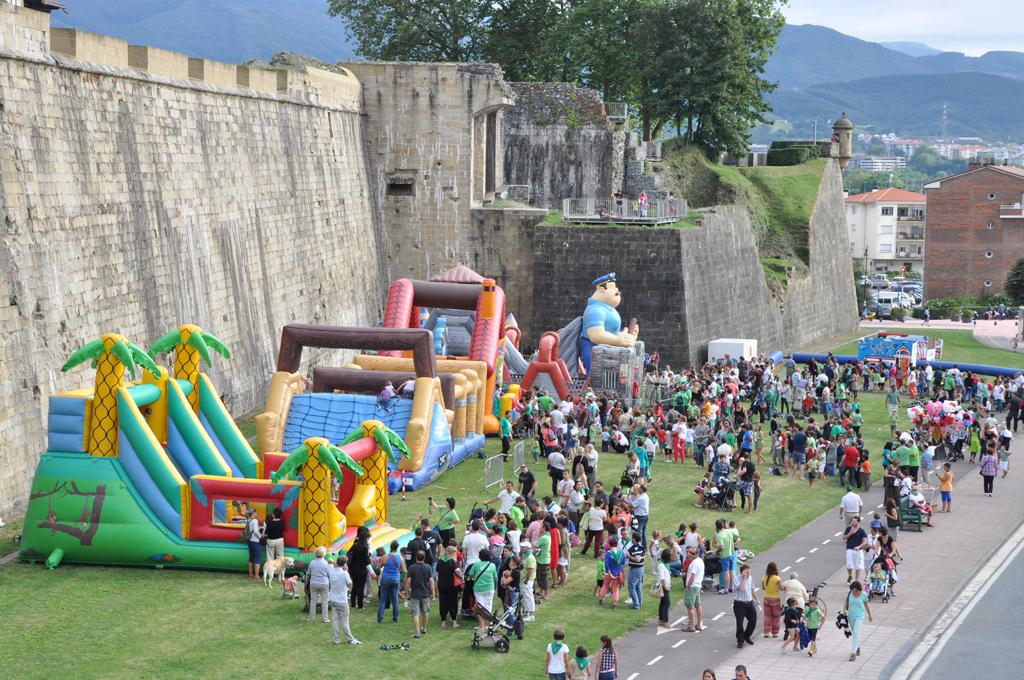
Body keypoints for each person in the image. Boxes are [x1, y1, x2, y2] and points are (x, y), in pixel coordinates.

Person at [328, 554, 361, 645]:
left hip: (333, 599)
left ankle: (336, 639)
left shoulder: (331, 570)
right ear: (345, 564)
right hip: (342, 601)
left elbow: (329, 561)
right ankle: (350, 639)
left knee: (335, 620)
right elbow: (350, 584)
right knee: (345, 621)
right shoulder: (345, 573)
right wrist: (345, 570)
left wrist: (338, 564)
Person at [404, 550, 435, 638]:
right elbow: (431, 581)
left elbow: (408, 581)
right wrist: (433, 593)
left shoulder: (411, 568)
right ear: (424, 557)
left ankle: (417, 633)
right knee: (425, 612)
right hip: (425, 593)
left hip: (415, 594)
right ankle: (424, 628)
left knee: (415, 613)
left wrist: (406, 592)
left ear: (416, 557)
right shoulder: (428, 567)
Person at [843, 580, 873, 662]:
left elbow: (866, 605)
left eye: (858, 591)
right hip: (850, 616)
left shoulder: (863, 595)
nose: (856, 593)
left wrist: (870, 615)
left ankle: (853, 652)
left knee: (856, 632)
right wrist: (843, 611)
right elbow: (846, 601)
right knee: (855, 633)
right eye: (854, 591)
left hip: (860, 616)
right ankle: (858, 646)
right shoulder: (849, 593)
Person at [469, 547, 498, 631]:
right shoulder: (492, 565)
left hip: (479, 589)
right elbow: (495, 578)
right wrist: (495, 588)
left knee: (480, 608)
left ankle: (481, 625)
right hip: (490, 588)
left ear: (480, 556)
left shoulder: (476, 565)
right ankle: (487, 625)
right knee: (488, 606)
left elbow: (470, 576)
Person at [733, 563, 760, 648]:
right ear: (742, 572)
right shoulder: (736, 578)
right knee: (740, 623)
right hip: (739, 603)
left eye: (749, 572)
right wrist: (744, 579)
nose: (748, 574)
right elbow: (740, 589)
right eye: (746, 572)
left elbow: (752, 589)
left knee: (753, 620)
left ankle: (746, 636)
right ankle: (740, 640)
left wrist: (757, 599)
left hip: (749, 602)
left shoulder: (750, 578)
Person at [377, 540, 404, 624]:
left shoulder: (385, 557)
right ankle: (395, 619)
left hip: (385, 579)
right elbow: (402, 569)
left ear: (390, 547)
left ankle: (380, 619)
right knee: (395, 600)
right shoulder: (400, 557)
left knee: (383, 600)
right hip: (396, 579)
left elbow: (379, 567)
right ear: (397, 548)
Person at [436, 545, 463, 628]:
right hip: (451, 585)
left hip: (441, 584)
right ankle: (454, 622)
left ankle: (443, 622)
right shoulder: (451, 561)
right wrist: (461, 577)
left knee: (443, 602)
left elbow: (437, 572)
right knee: (452, 603)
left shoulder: (440, 561)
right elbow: (457, 571)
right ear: (451, 553)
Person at [347, 527, 371, 609]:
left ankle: (353, 604)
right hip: (362, 569)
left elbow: (349, 553)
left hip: (353, 569)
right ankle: (360, 605)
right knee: (361, 587)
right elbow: (366, 560)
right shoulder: (365, 547)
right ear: (365, 538)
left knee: (354, 586)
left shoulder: (355, 545)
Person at [599, 537, 625, 608]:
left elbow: (606, 565)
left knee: (605, 586)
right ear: (617, 544)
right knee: (615, 589)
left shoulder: (608, 553)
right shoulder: (622, 553)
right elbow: (623, 563)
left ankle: (601, 599)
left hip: (609, 573)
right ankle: (614, 603)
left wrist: (610, 574)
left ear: (609, 545)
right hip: (617, 574)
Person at [307, 546, 331, 623]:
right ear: (324, 554)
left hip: (313, 583)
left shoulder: (312, 562)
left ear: (315, 554)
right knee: (325, 601)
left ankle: (311, 617)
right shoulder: (326, 563)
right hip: (324, 583)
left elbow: (309, 573)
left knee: (313, 600)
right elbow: (329, 574)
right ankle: (325, 618)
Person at [684, 546, 705, 632]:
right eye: (688, 552)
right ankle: (699, 624)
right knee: (698, 605)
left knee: (689, 606)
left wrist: (688, 586)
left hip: (692, 587)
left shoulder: (694, 563)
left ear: (696, 554)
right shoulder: (700, 561)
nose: (689, 554)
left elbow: (693, 576)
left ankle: (692, 626)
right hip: (698, 585)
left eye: (691, 553)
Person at [843, 516, 868, 584]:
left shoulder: (861, 531)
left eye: (854, 521)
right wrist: (850, 533)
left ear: (858, 522)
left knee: (858, 566)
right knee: (849, 564)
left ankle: (856, 579)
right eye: (852, 521)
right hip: (850, 549)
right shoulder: (848, 529)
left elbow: (865, 541)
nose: (852, 523)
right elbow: (844, 538)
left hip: (858, 550)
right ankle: (850, 576)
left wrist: (859, 546)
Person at [625, 530, 646, 609]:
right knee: (638, 586)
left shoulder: (636, 548)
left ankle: (636, 604)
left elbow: (637, 559)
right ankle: (639, 603)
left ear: (634, 539)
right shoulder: (642, 547)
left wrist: (629, 556)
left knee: (631, 587)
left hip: (635, 569)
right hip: (641, 569)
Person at [762, 561, 782, 638]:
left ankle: (766, 633)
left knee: (767, 616)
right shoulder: (777, 578)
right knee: (776, 616)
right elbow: (782, 588)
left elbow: (763, 588)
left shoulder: (764, 577)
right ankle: (774, 633)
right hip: (775, 599)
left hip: (766, 598)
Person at [244, 508, 263, 579]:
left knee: (251, 557)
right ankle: (257, 575)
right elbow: (255, 531)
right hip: (255, 541)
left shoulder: (248, 520)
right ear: (253, 513)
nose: (257, 514)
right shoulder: (255, 520)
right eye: (256, 513)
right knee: (257, 558)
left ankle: (250, 573)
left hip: (249, 540)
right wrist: (260, 536)